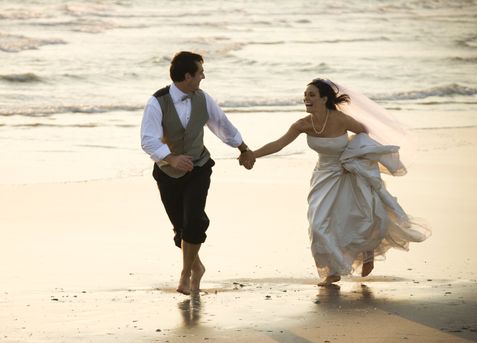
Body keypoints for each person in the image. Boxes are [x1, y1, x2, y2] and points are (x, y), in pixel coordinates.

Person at [245, 78, 430, 286]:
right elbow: (278, 144)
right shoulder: (302, 124)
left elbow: (363, 133)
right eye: (305, 95)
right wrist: (252, 154)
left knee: (357, 218)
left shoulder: (341, 119)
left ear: (324, 99)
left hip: (348, 172)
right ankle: (332, 270)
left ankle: (367, 253)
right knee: (318, 225)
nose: (306, 99)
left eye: (312, 95)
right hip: (323, 176)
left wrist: (352, 157)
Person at [141, 51, 255, 295]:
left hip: (199, 167)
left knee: (194, 220)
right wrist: (171, 158)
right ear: (187, 76)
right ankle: (198, 267)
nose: (204, 76)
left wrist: (243, 149)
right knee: (181, 229)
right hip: (166, 172)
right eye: (200, 72)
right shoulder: (156, 102)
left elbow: (221, 124)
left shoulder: (203, 99)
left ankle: (185, 275)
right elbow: (147, 140)